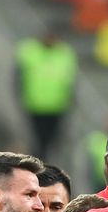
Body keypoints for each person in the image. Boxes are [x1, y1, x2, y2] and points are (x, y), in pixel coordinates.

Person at [16, 26, 78, 162]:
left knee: (52, 140)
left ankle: (44, 166)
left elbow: (70, 80)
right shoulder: (29, 51)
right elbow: (18, 76)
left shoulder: (65, 53)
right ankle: (37, 165)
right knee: (37, 140)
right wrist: (21, 96)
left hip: (57, 105)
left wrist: (71, 99)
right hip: (34, 104)